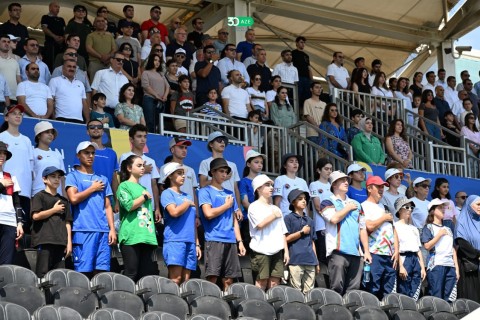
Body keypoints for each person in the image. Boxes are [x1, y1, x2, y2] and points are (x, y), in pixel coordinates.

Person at [66, 141, 117, 276]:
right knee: (83, 273)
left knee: (101, 273)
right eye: (86, 153)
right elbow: (74, 199)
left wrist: (111, 229)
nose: (90, 156)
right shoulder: (72, 176)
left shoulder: (103, 179)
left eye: (93, 153)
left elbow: (107, 206)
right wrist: (92, 188)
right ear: (78, 155)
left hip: (102, 231)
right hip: (83, 230)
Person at [320, 171, 372, 295]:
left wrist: (367, 251)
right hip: (338, 252)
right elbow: (333, 219)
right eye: (342, 180)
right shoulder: (327, 202)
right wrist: (347, 208)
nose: (346, 182)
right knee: (336, 288)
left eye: (346, 180)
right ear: (334, 184)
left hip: (356, 253)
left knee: (353, 292)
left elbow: (362, 228)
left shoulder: (357, 204)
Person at [198, 158, 246, 290]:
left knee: (229, 279)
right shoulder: (204, 191)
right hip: (213, 238)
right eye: (221, 171)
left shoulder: (229, 193)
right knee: (212, 278)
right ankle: (210, 304)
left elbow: (234, 219)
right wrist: (226, 206)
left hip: (230, 240)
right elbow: (208, 213)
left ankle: (226, 306)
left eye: (226, 172)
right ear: (213, 172)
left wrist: (239, 241)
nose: (224, 174)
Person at [116, 155, 158, 282]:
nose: (142, 168)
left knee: (145, 276)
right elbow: (129, 206)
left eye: (143, 165)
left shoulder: (144, 188)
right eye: (138, 165)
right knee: (131, 273)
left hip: (146, 236)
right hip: (131, 236)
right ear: (129, 168)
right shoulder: (124, 186)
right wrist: (143, 197)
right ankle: (125, 300)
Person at [160, 161, 200, 285]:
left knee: (186, 281)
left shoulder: (187, 195)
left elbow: (192, 222)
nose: (183, 176)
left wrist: (197, 244)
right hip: (175, 240)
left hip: (190, 242)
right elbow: (174, 212)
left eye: (183, 173)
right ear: (170, 176)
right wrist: (187, 203)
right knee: (175, 279)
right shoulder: (167, 193)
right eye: (179, 173)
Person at [248, 174, 289, 290]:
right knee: (261, 282)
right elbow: (260, 225)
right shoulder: (254, 207)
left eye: (271, 185)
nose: (271, 187)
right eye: (267, 185)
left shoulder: (276, 209)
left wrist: (285, 251)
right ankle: (259, 306)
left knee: (275, 283)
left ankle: (272, 306)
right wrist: (273, 216)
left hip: (277, 250)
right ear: (258, 189)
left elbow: (282, 232)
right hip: (261, 250)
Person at [362, 176, 399, 299]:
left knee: (388, 292)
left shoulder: (385, 207)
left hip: (389, 255)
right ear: (369, 188)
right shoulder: (363, 206)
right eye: (378, 186)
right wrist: (383, 218)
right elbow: (369, 226)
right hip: (374, 253)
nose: (381, 189)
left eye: (382, 187)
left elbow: (394, 230)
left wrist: (397, 251)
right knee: (372, 288)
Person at [31, 166, 72, 277]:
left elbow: (67, 222)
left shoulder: (64, 200)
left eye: (59, 177)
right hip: (44, 241)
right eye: (53, 176)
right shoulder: (39, 196)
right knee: (42, 274)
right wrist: (54, 210)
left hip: (60, 242)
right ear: (44, 179)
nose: (56, 179)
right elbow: (35, 216)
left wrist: (69, 243)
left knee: (59, 275)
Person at [0, 105, 34, 231]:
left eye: (20, 113)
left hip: (24, 190)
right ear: (6, 117)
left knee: (22, 230)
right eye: (14, 113)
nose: (18, 116)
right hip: (5, 189)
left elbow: (30, 169)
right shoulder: (1, 137)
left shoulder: (26, 140)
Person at [119, 125, 161, 223]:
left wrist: (157, 207)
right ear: (131, 139)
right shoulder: (125, 157)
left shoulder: (151, 161)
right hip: (132, 202)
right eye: (139, 136)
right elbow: (123, 180)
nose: (143, 140)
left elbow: (154, 185)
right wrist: (143, 170)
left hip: (148, 204)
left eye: (145, 136)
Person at [421, 198, 460, 302]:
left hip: (450, 266)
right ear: (433, 211)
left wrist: (456, 268)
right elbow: (427, 246)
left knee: (449, 299)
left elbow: (452, 249)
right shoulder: (428, 227)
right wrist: (439, 235)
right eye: (439, 207)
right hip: (436, 265)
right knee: (436, 296)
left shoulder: (448, 228)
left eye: (443, 207)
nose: (443, 209)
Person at [198, 132, 242, 214]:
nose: (222, 142)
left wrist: (238, 208)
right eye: (219, 140)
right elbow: (202, 184)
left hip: (232, 205)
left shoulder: (233, 165)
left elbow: (235, 189)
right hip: (215, 204)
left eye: (224, 140)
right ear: (211, 144)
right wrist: (222, 177)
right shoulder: (205, 163)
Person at [285, 188, 318, 293]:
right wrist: (302, 232)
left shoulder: (310, 220)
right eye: (300, 199)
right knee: (296, 292)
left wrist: (316, 261)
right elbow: (286, 239)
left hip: (310, 260)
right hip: (295, 260)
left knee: (309, 292)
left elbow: (312, 241)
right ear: (293, 202)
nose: (304, 201)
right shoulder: (288, 218)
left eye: (305, 199)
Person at [394, 197, 425, 300]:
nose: (410, 210)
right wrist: (401, 266)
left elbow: (418, 249)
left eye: (411, 207)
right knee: (403, 289)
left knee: (415, 288)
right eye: (406, 207)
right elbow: (396, 247)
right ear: (399, 210)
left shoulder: (414, 228)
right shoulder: (395, 226)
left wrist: (422, 267)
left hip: (415, 259)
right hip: (403, 257)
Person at [90, 52, 130, 127]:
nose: (121, 62)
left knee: (118, 136)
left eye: (122, 61)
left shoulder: (125, 79)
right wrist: (94, 108)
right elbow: (94, 90)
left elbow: (126, 97)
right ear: (111, 60)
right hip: (104, 110)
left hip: (120, 113)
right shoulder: (101, 73)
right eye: (118, 60)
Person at [0, 141, 24, 265]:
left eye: (4, 153)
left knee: (6, 262)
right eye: (0, 153)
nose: (2, 156)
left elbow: (17, 203)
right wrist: (1, 185)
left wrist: (19, 223)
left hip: (9, 222)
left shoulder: (11, 177)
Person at [238, 150, 265, 251]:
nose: (260, 165)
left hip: (264, 219)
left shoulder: (264, 181)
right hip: (249, 219)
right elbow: (245, 202)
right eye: (256, 162)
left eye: (261, 163)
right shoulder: (244, 182)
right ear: (248, 164)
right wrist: (257, 214)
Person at [455, 195, 480, 303]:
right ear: (469, 206)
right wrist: (478, 254)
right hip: (470, 265)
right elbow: (462, 243)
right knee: (472, 300)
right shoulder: (462, 222)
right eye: (478, 204)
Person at [49, 59, 90, 123]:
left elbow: (84, 103)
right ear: (62, 68)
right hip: (61, 118)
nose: (72, 69)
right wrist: (54, 119)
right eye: (69, 66)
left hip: (79, 119)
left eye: (74, 67)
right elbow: (51, 101)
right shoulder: (55, 81)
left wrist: (87, 120)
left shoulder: (80, 83)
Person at [309, 158, 333, 266]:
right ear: (319, 170)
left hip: (333, 225)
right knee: (322, 255)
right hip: (321, 225)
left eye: (330, 169)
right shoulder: (314, 184)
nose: (329, 171)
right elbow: (317, 206)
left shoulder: (333, 186)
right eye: (326, 169)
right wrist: (331, 218)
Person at [32, 121, 65, 197]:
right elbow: (29, 176)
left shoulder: (57, 154)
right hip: (38, 194)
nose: (50, 134)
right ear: (39, 135)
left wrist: (64, 197)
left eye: (52, 132)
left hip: (57, 195)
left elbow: (62, 178)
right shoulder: (32, 152)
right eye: (47, 132)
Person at [141, 54, 169, 133]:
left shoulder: (161, 74)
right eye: (155, 60)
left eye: (159, 61)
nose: (157, 62)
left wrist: (165, 96)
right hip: (149, 99)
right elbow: (146, 86)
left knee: (159, 122)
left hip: (160, 101)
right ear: (151, 61)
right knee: (150, 121)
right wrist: (157, 96)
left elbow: (167, 86)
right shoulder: (145, 73)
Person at [40, 2, 65, 71]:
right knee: (50, 64)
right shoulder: (45, 17)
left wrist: (63, 38)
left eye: (58, 7)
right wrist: (54, 37)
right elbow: (44, 28)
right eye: (56, 6)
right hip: (50, 45)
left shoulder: (61, 20)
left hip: (61, 46)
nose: (58, 8)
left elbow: (65, 31)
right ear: (50, 8)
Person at [0, 34, 21, 103]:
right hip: (1, 97)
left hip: (14, 97)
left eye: (8, 42)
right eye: (4, 41)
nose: (7, 44)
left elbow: (18, 80)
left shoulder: (15, 62)